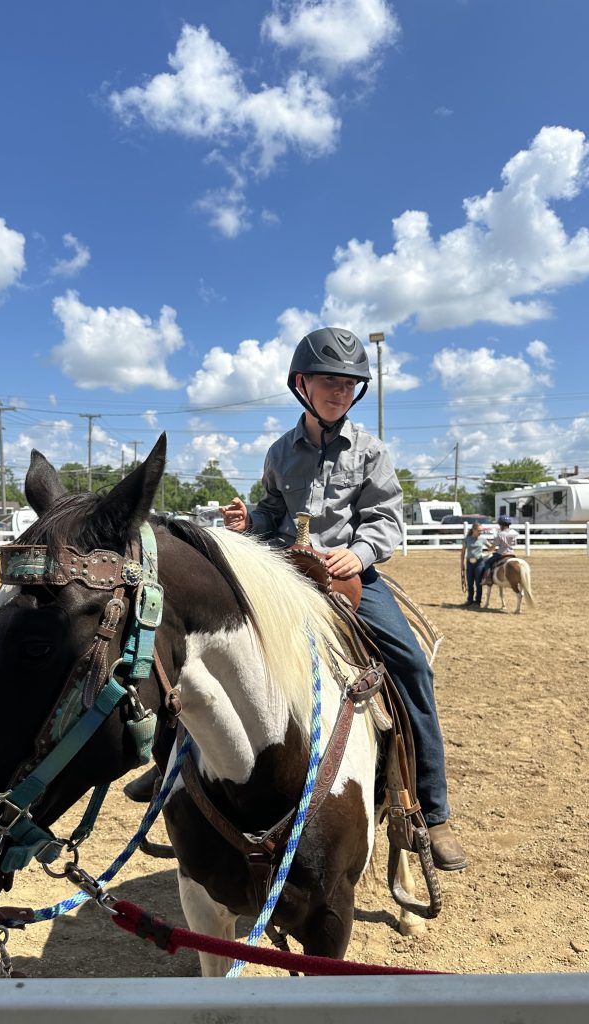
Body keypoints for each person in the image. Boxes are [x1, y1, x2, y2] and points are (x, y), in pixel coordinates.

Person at [220, 327, 467, 871]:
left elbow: (385, 520)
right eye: (330, 381)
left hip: (351, 578)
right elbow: (270, 512)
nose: (341, 391)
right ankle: (174, 765)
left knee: (411, 669)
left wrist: (359, 552)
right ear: (301, 384)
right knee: (208, 642)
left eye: (351, 384)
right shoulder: (279, 453)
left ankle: (433, 810)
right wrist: (247, 523)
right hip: (285, 573)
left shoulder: (373, 453)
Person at [481, 516, 518, 581]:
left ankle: (488, 578)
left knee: (487, 562)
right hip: (512, 553)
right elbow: (514, 544)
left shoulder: (500, 534)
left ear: (501, 525)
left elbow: (494, 546)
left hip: (501, 553)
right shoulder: (514, 533)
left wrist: (490, 549)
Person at [460, 522, 487, 607]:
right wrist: (462, 563)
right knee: (470, 582)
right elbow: (463, 551)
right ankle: (470, 600)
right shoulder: (467, 539)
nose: (480, 532)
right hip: (469, 563)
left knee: (478, 582)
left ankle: (477, 602)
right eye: (479, 530)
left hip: (479, 562)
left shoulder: (482, 539)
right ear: (474, 530)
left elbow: (490, 547)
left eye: (481, 530)